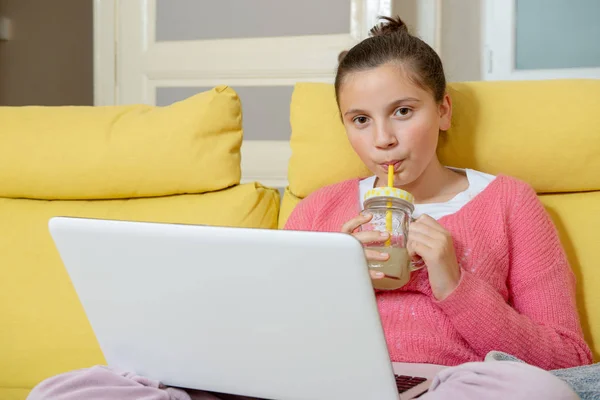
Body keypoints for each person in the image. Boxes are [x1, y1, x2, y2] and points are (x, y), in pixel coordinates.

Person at [28, 16, 595, 400]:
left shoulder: (509, 202)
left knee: (535, 393)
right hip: (311, 387)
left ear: (443, 110)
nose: (384, 141)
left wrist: (455, 284)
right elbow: (261, 338)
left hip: (436, 388)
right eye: (360, 120)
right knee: (70, 390)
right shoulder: (323, 210)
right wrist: (334, 282)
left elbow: (568, 358)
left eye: (403, 111)